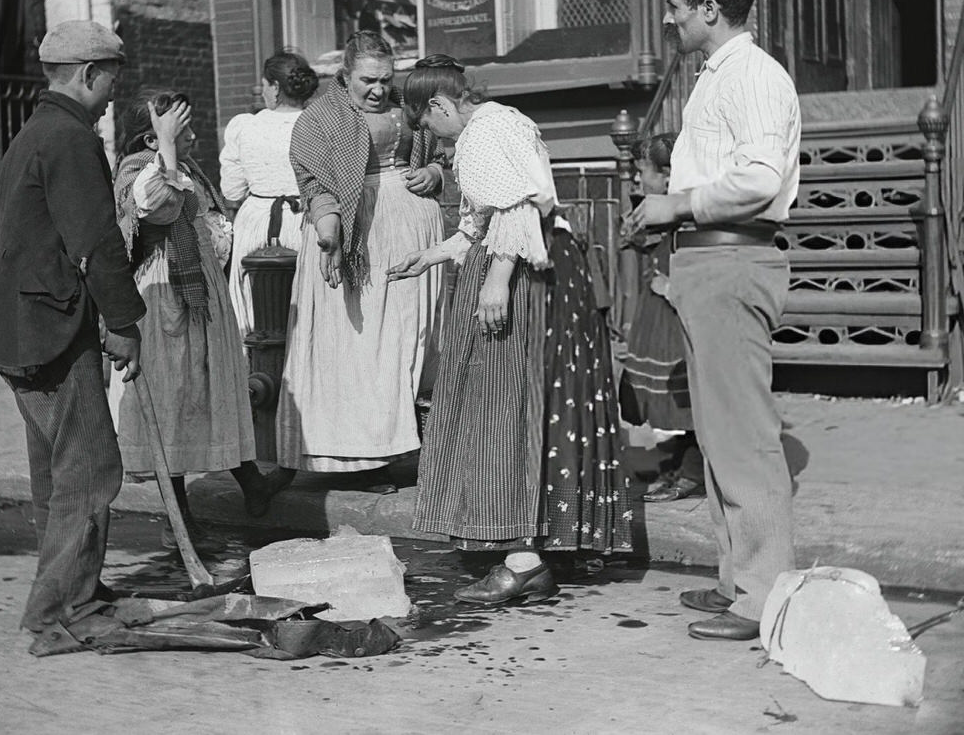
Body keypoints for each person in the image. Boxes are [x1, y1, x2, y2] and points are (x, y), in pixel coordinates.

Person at [390, 56, 632, 607]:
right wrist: (431, 255)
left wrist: (497, 281)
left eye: (429, 125)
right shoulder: (505, 122)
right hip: (539, 263)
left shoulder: (482, 133)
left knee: (503, 403)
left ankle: (522, 560)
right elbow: (482, 218)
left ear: (440, 106)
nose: (434, 138)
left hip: (523, 272)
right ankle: (541, 547)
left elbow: (517, 208)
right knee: (538, 403)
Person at [628, 0, 800, 642]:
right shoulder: (718, 77)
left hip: (733, 259)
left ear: (708, 6)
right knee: (719, 437)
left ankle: (765, 595)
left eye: (677, 5)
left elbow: (761, 180)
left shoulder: (754, 75)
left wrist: (677, 203)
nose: (670, 18)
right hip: (707, 261)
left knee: (742, 438)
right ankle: (738, 579)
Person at [0, 19, 145, 644]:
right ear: (88, 75)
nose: (111, 95)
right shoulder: (71, 139)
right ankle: (52, 616)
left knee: (55, 472)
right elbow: (95, 243)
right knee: (91, 470)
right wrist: (125, 324)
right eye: (110, 82)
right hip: (49, 331)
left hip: (18, 326)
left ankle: (77, 595)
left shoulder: (31, 134)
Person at [273, 31, 444, 492]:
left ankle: (406, 445)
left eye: (386, 80)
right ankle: (360, 454)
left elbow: (441, 149)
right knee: (363, 342)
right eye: (368, 80)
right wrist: (329, 226)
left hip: (410, 236)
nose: (378, 90)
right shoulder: (319, 118)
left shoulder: (407, 108)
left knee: (409, 338)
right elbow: (312, 179)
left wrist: (433, 171)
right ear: (343, 75)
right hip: (354, 239)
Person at [111, 91, 272, 537]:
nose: (196, 137)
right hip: (164, 295)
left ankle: (251, 482)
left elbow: (210, 214)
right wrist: (163, 145)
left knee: (213, 386)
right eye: (183, 131)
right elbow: (156, 205)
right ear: (153, 136)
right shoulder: (138, 171)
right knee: (173, 397)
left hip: (200, 290)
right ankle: (179, 516)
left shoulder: (186, 168)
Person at [617, 132, 705, 503]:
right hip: (658, 313)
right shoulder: (664, 211)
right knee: (667, 401)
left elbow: (700, 270)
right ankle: (676, 468)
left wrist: (670, 286)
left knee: (687, 398)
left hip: (677, 314)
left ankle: (693, 471)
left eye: (644, 173)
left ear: (668, 176)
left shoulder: (691, 217)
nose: (638, 181)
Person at [219, 50, 318, 342]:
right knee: (305, 306)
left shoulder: (245, 126)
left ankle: (254, 376)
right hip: (307, 220)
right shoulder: (318, 125)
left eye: (264, 84)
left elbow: (232, 191)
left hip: (256, 223)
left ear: (275, 87)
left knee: (252, 309)